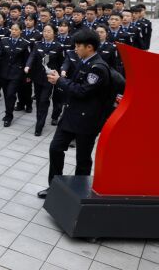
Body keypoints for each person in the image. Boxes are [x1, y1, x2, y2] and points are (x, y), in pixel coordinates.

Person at [37, 30, 112, 199]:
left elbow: (82, 91)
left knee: (83, 159)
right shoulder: (84, 61)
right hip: (71, 115)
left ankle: (79, 193)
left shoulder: (97, 68)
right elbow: (74, 84)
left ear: (90, 47)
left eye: (78, 46)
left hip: (87, 120)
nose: (75, 49)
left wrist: (60, 81)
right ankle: (54, 187)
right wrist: (60, 79)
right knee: (55, 148)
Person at [25, 24, 64, 136]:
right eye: (45, 31)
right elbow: (32, 56)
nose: (46, 33)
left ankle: (39, 126)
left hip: (50, 78)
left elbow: (61, 62)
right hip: (38, 77)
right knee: (38, 99)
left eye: (49, 31)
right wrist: (28, 66)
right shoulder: (37, 44)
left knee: (43, 100)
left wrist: (60, 74)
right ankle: (39, 119)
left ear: (54, 33)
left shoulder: (58, 46)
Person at [0, 22, 30, 127]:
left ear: (21, 31)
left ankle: (9, 116)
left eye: (16, 29)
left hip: (16, 74)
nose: (13, 31)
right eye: (12, 29)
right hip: (4, 72)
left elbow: (27, 61)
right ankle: (8, 111)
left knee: (10, 94)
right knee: (6, 94)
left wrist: (27, 76)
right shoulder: (4, 41)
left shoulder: (25, 43)